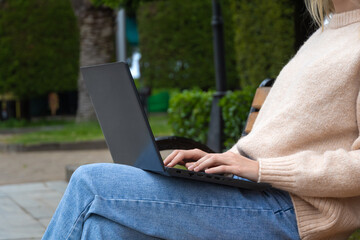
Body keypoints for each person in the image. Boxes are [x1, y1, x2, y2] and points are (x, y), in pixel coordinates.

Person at [42, 0, 360, 239]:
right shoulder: (325, 33)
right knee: (103, 228)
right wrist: (224, 159)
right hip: (252, 191)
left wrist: (262, 169)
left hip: (291, 211)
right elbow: (279, 135)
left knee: (90, 183)